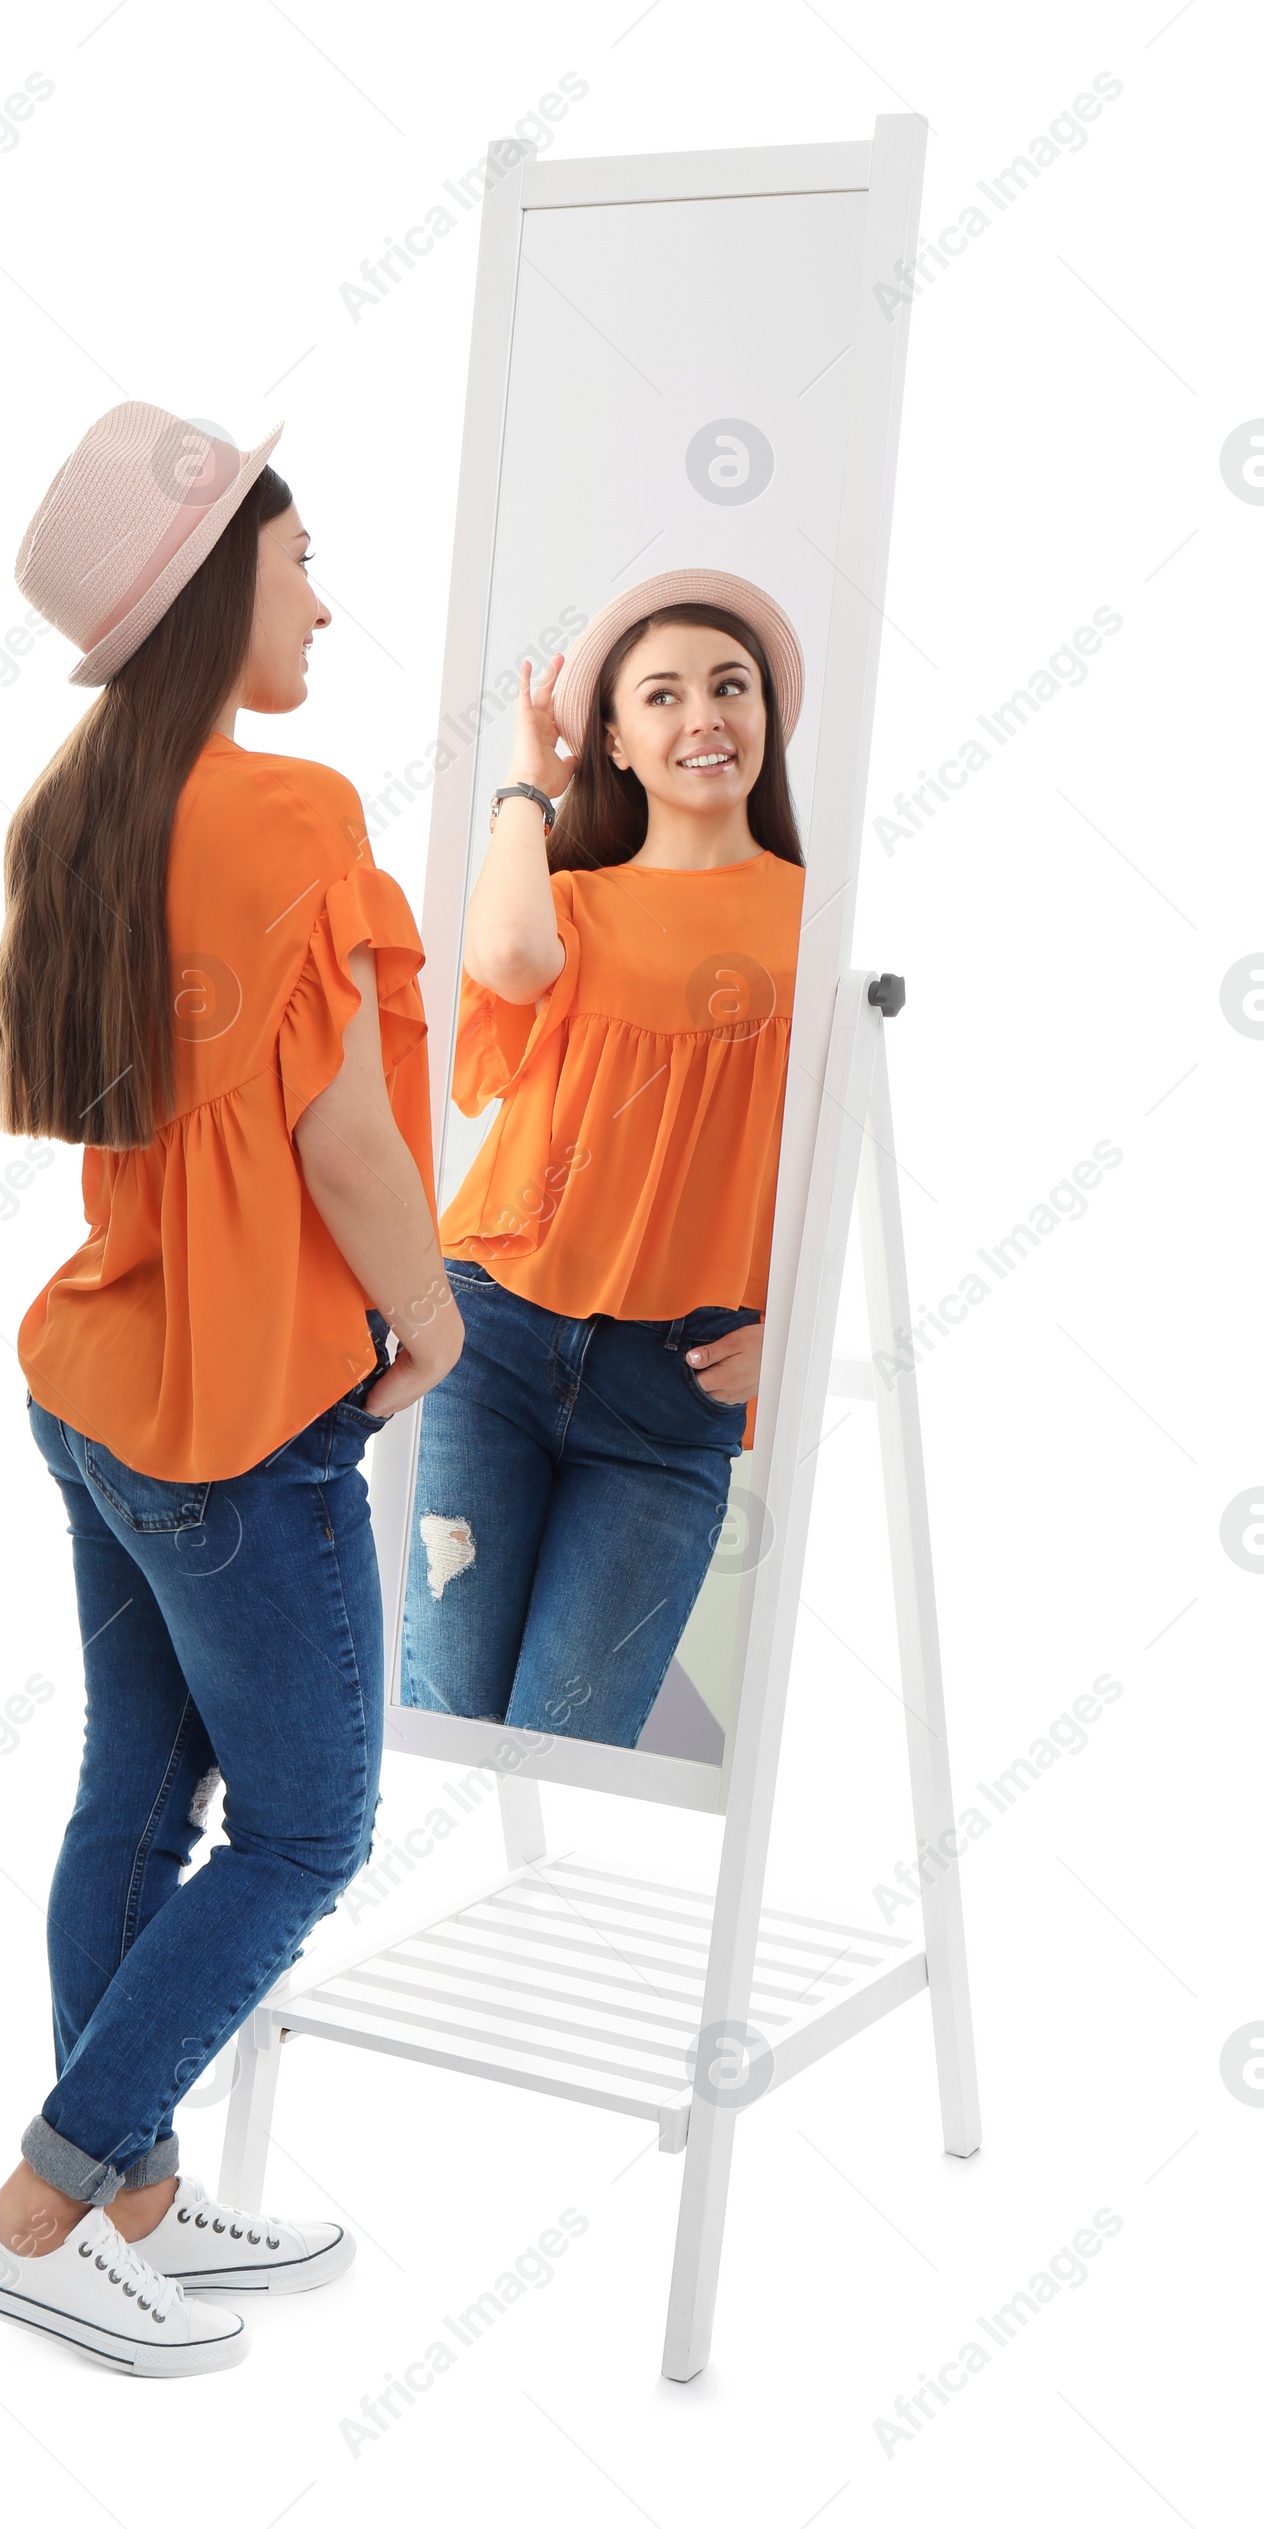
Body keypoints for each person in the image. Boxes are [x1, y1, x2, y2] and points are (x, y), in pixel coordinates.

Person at [0, 400, 460, 2377]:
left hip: (99, 1376)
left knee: (136, 1798)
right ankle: (38, 2208)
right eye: (298, 559)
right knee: (310, 1827)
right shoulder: (285, 812)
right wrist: (433, 1317)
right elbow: (341, 1138)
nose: (323, 603)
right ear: (208, 585)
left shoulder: (79, 806)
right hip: (240, 1409)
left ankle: (140, 2195)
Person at [401, 568, 806, 1750]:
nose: (703, 719)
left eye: (730, 688)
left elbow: (848, 1154)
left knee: (568, 1744)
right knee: (448, 1726)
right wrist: (529, 783)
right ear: (618, 741)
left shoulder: (814, 920)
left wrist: (794, 1325)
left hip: (675, 1385)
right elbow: (512, 959)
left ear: (766, 719)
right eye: (664, 696)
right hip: (494, 1339)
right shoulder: (569, 899)